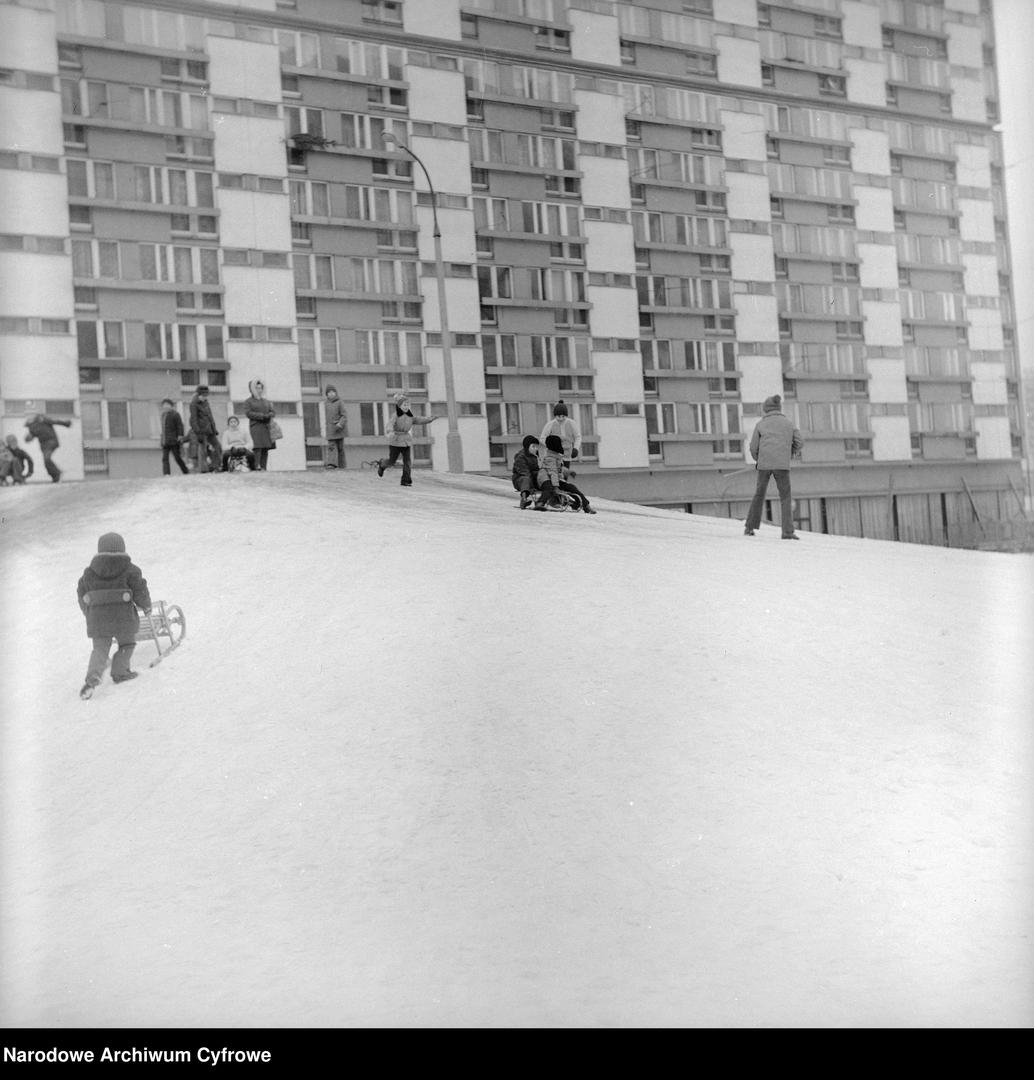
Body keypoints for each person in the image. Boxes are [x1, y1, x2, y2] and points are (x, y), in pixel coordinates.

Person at [76, 532, 152, 700]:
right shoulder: (131, 570)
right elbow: (140, 590)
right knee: (127, 644)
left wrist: (87, 611)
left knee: (100, 648)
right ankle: (120, 672)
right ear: (122, 549)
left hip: (98, 621)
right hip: (123, 619)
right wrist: (146, 606)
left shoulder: (89, 573)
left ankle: (92, 677)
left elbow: (81, 593)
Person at [744, 394, 804, 540]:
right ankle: (787, 532)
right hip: (782, 466)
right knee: (785, 497)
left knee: (759, 494)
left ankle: (750, 527)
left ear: (767, 409)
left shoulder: (761, 424)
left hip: (764, 465)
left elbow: (753, 447)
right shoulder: (788, 423)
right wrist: (791, 452)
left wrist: (759, 459)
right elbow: (800, 442)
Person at [375, 392, 437, 486]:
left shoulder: (410, 416)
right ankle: (382, 464)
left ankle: (405, 480)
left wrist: (429, 419)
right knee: (392, 461)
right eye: (404, 405)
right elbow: (390, 423)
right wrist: (390, 431)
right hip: (396, 441)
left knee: (407, 461)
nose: (406, 406)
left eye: (407, 405)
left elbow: (418, 419)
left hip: (406, 441)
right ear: (400, 406)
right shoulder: (395, 415)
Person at [24, 412, 71, 482]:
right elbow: (32, 435)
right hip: (43, 445)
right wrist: (27, 438)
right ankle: (55, 477)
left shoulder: (42, 419)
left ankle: (57, 472)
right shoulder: (31, 426)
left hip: (51, 441)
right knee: (46, 462)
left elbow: (54, 421)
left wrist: (65, 423)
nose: (29, 419)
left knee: (47, 459)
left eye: (30, 417)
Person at [245, 379, 276, 471]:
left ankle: (263, 467)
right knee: (257, 447)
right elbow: (248, 413)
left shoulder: (266, 401)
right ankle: (255, 466)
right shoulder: (248, 401)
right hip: (256, 426)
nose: (259, 390)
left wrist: (269, 415)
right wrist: (262, 416)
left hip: (266, 427)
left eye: (260, 388)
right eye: (257, 388)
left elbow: (273, 411)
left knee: (265, 448)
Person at [189, 385, 221, 473]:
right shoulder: (193, 404)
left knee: (217, 447)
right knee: (203, 451)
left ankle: (216, 467)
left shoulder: (206, 402)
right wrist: (198, 432)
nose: (205, 397)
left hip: (210, 430)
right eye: (203, 396)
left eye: (206, 395)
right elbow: (193, 420)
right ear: (198, 395)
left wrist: (214, 429)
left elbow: (210, 417)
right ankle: (204, 470)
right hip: (202, 431)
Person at [512, 435, 546, 508]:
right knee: (526, 479)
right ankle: (524, 499)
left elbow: (536, 470)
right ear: (527, 447)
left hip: (530, 477)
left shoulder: (534, 456)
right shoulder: (520, 456)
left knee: (543, 478)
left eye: (537, 447)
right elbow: (523, 471)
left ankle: (541, 501)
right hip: (519, 479)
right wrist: (532, 485)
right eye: (533, 447)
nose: (535, 449)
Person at [159, 399, 189, 476]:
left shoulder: (175, 414)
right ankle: (166, 474)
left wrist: (180, 436)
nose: (165, 406)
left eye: (167, 405)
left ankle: (186, 471)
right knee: (165, 458)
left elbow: (180, 426)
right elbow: (163, 429)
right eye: (164, 405)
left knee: (177, 457)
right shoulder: (163, 415)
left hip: (173, 441)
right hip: (165, 441)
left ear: (171, 406)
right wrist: (162, 440)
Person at [324, 385, 346, 469]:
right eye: (329, 392)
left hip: (339, 429)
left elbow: (344, 415)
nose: (331, 394)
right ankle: (331, 463)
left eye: (333, 392)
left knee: (340, 448)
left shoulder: (340, 402)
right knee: (331, 446)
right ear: (327, 394)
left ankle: (342, 465)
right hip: (330, 429)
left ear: (336, 393)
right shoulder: (326, 403)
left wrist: (340, 424)